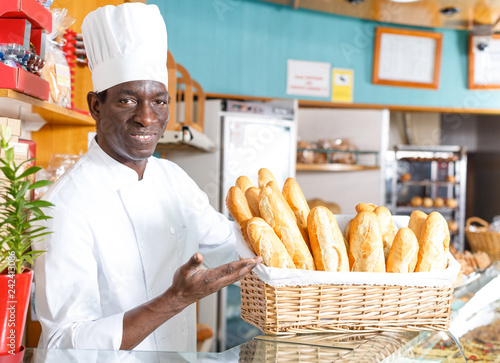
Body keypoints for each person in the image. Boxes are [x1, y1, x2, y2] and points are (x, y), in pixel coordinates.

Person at [33, 3, 261, 352]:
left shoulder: (173, 179)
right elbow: (64, 343)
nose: (146, 118)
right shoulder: (63, 205)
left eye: (159, 101)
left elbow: (231, 246)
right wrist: (176, 299)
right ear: (96, 105)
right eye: (127, 100)